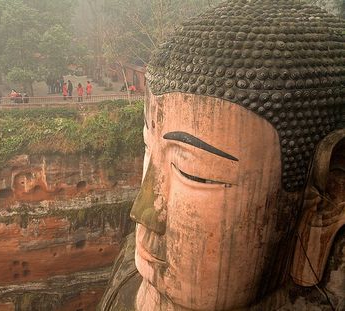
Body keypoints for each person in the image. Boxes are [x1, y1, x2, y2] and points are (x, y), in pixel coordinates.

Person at [99, 1, 345, 310]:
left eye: (193, 173)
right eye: (148, 150)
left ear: (327, 202)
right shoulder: (129, 276)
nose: (143, 212)